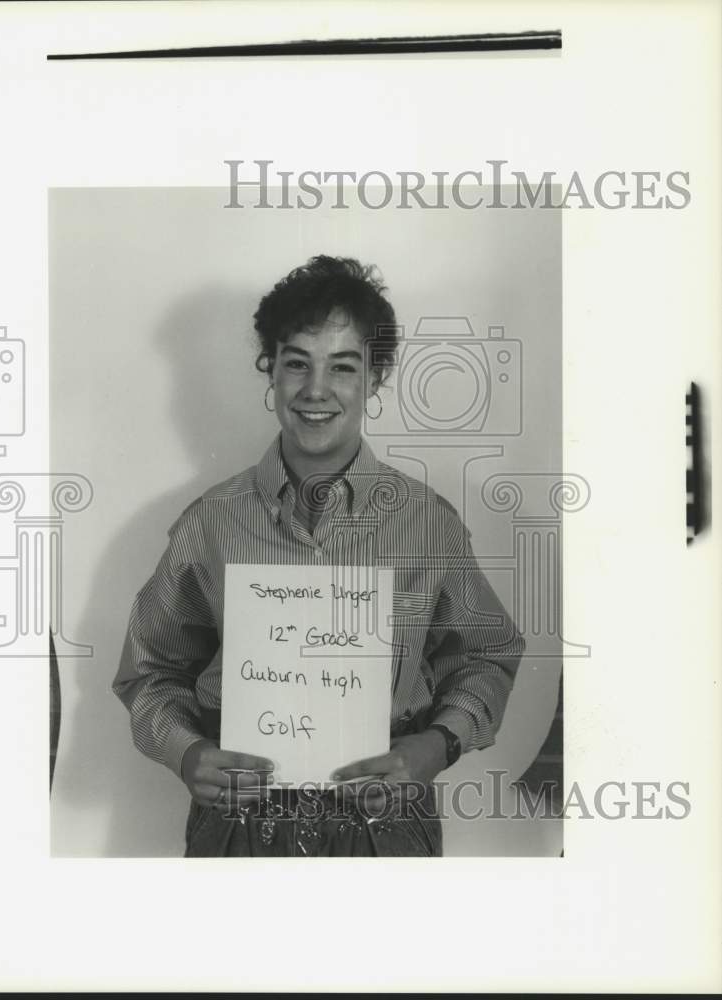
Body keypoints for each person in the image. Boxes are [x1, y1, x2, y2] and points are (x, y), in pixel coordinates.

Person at [113, 255, 525, 857]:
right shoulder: (213, 521)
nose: (315, 390)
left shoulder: (427, 523)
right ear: (270, 373)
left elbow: (487, 653)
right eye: (296, 363)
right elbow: (151, 670)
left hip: (385, 828)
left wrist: (437, 746)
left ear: (376, 379)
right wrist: (188, 752)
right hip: (240, 827)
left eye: (343, 366)